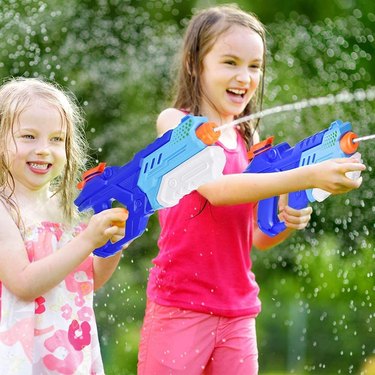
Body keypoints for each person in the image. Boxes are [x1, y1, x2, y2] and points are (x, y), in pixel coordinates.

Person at [137, 4, 366, 375]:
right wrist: (308, 177)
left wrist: (290, 217)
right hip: (179, 307)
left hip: (239, 311)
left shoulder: (247, 138)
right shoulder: (174, 124)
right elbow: (215, 189)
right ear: (195, 64)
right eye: (230, 62)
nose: (244, 77)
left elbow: (258, 236)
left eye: (254, 66)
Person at [0, 77, 128, 374]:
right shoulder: (5, 209)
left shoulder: (67, 208)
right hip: (20, 358)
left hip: (69, 352)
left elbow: (89, 279)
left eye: (57, 139)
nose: (44, 149)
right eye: (29, 136)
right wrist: (86, 241)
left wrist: (112, 244)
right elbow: (24, 283)